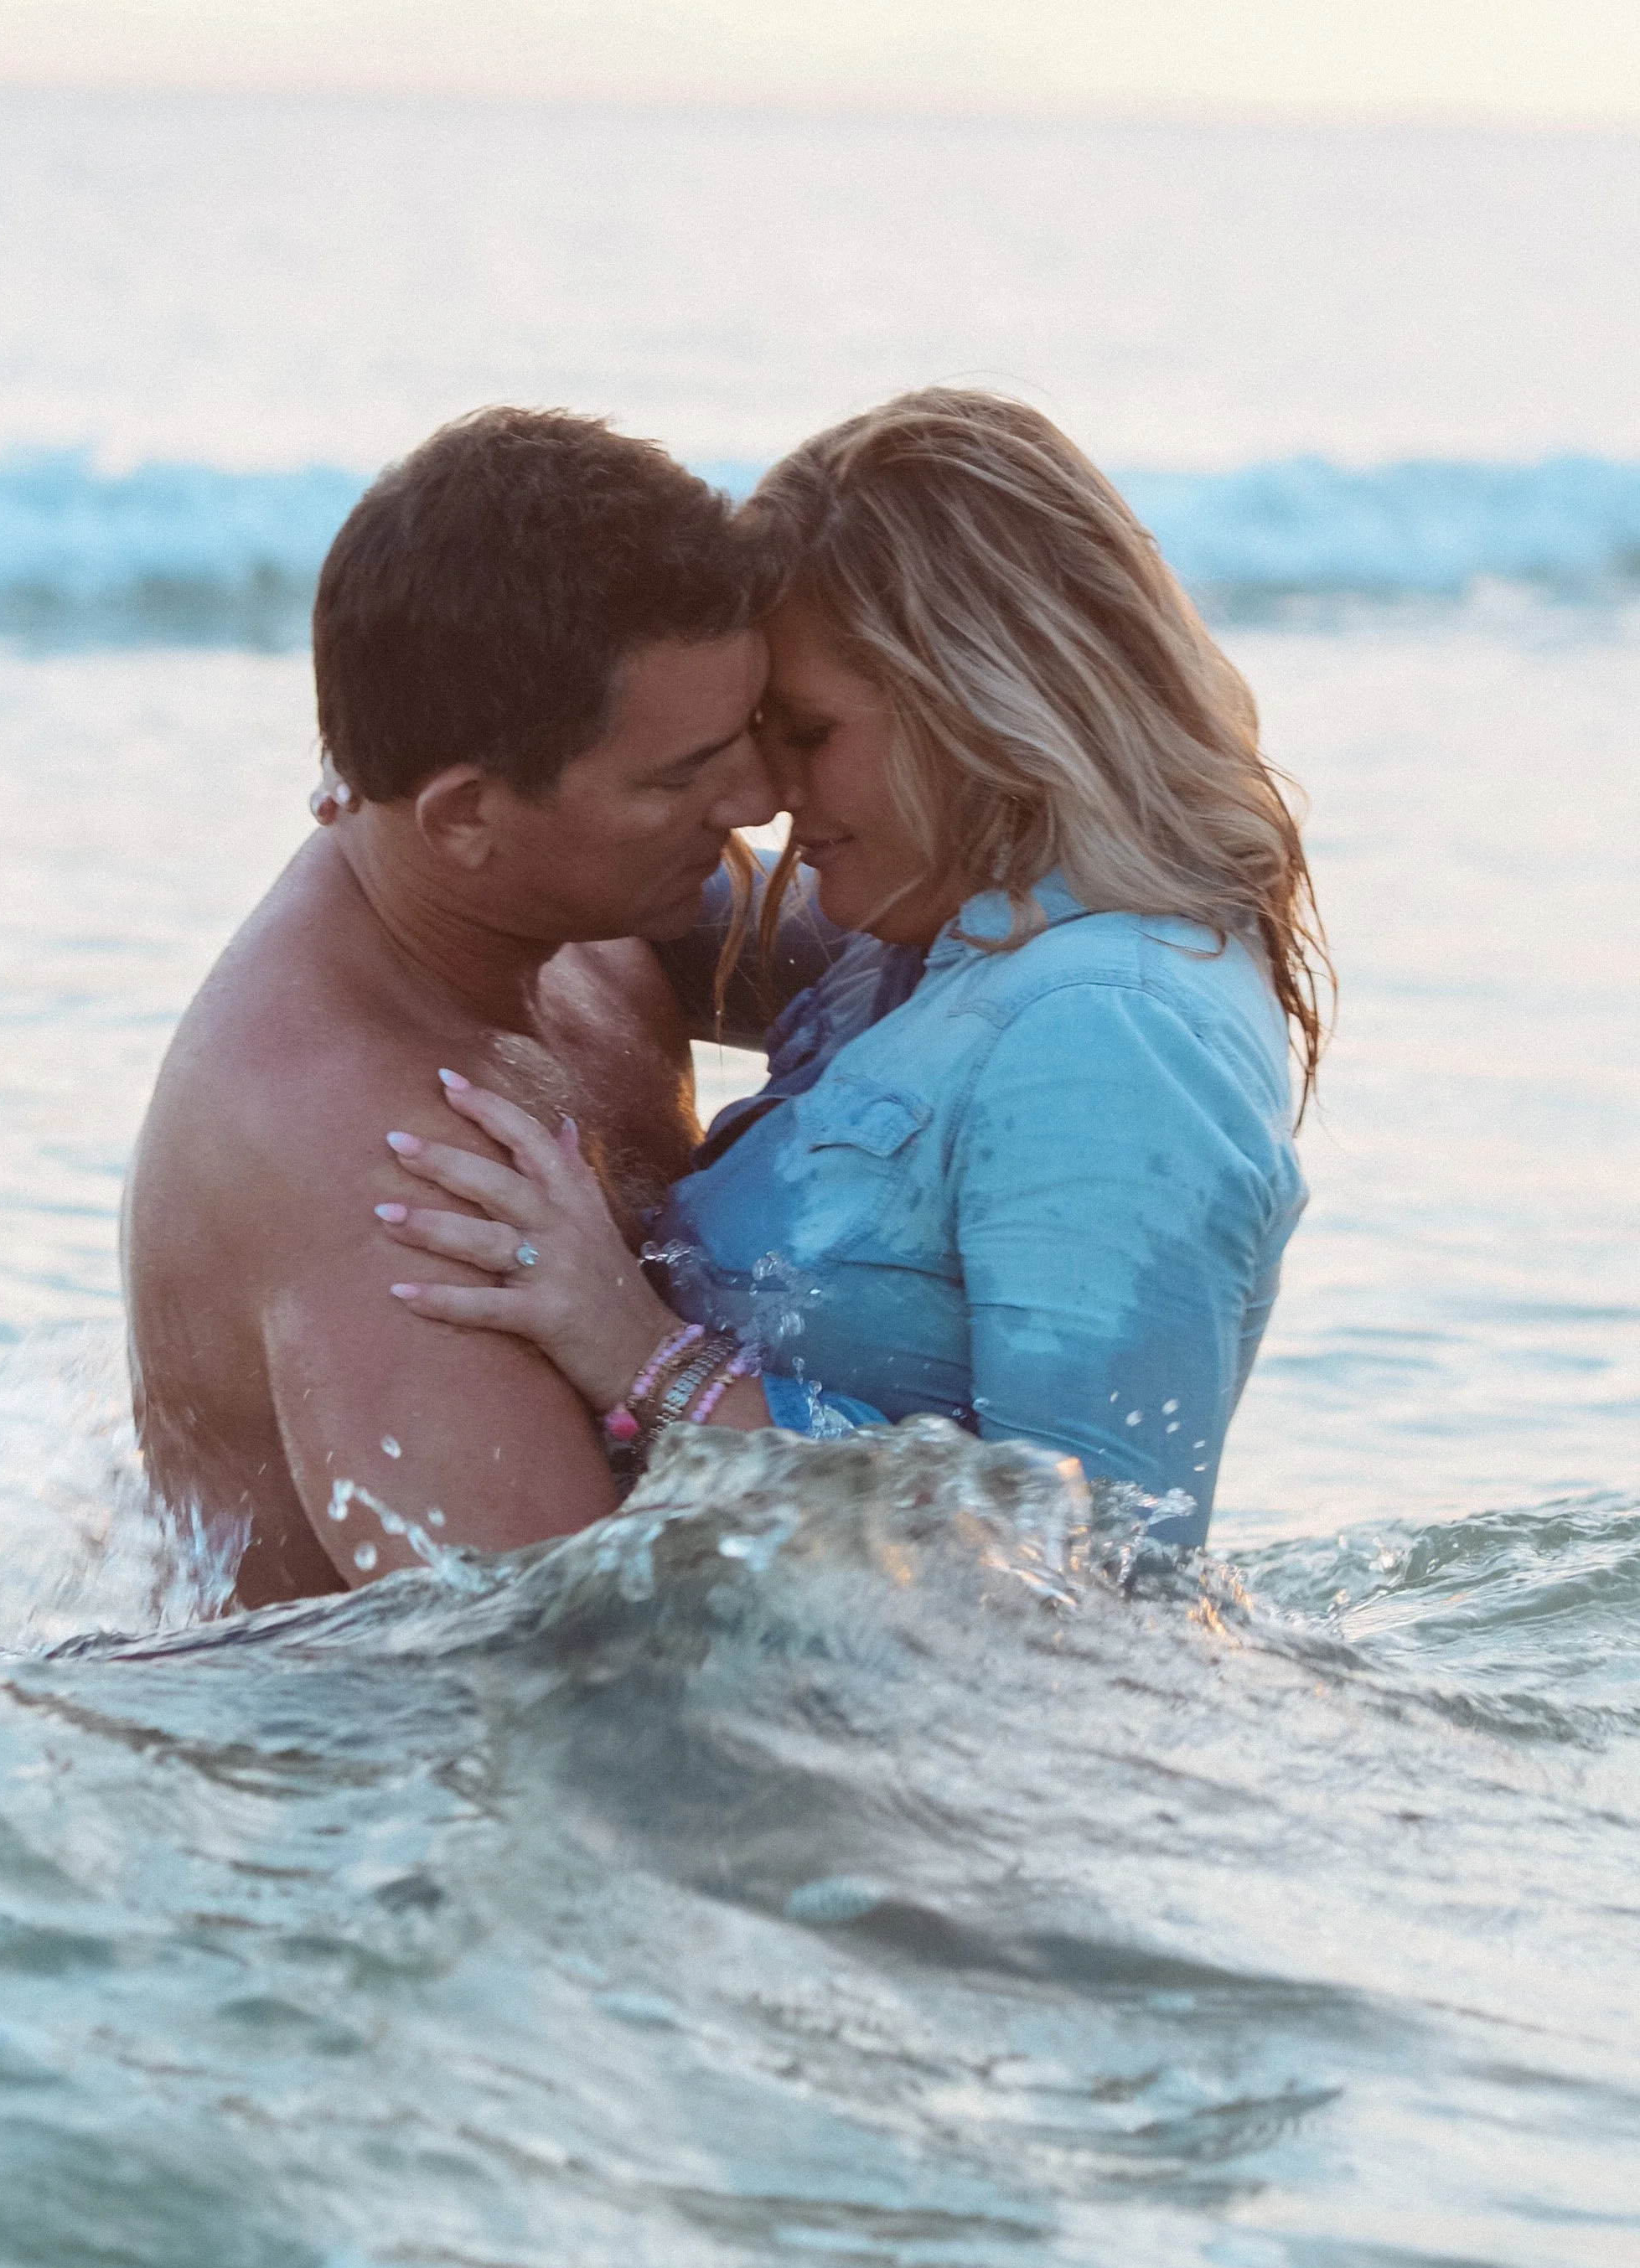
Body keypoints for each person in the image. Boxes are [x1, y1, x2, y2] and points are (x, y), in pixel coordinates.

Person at [379, 389, 1330, 1551]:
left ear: (981, 702)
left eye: (809, 731)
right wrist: (406, 772)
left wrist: (640, 1353)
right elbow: (617, 878)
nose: (770, 791)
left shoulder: (1109, 1033)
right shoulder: (943, 930)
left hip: (917, 1728)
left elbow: (1092, 1580)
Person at [121, 406, 779, 1606]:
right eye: (685, 774)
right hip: (359, 1764)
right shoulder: (393, 1178)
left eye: (754, 732)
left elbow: (957, 930)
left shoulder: (559, 899)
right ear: (464, 815)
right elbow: (570, 1678)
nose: (760, 796)